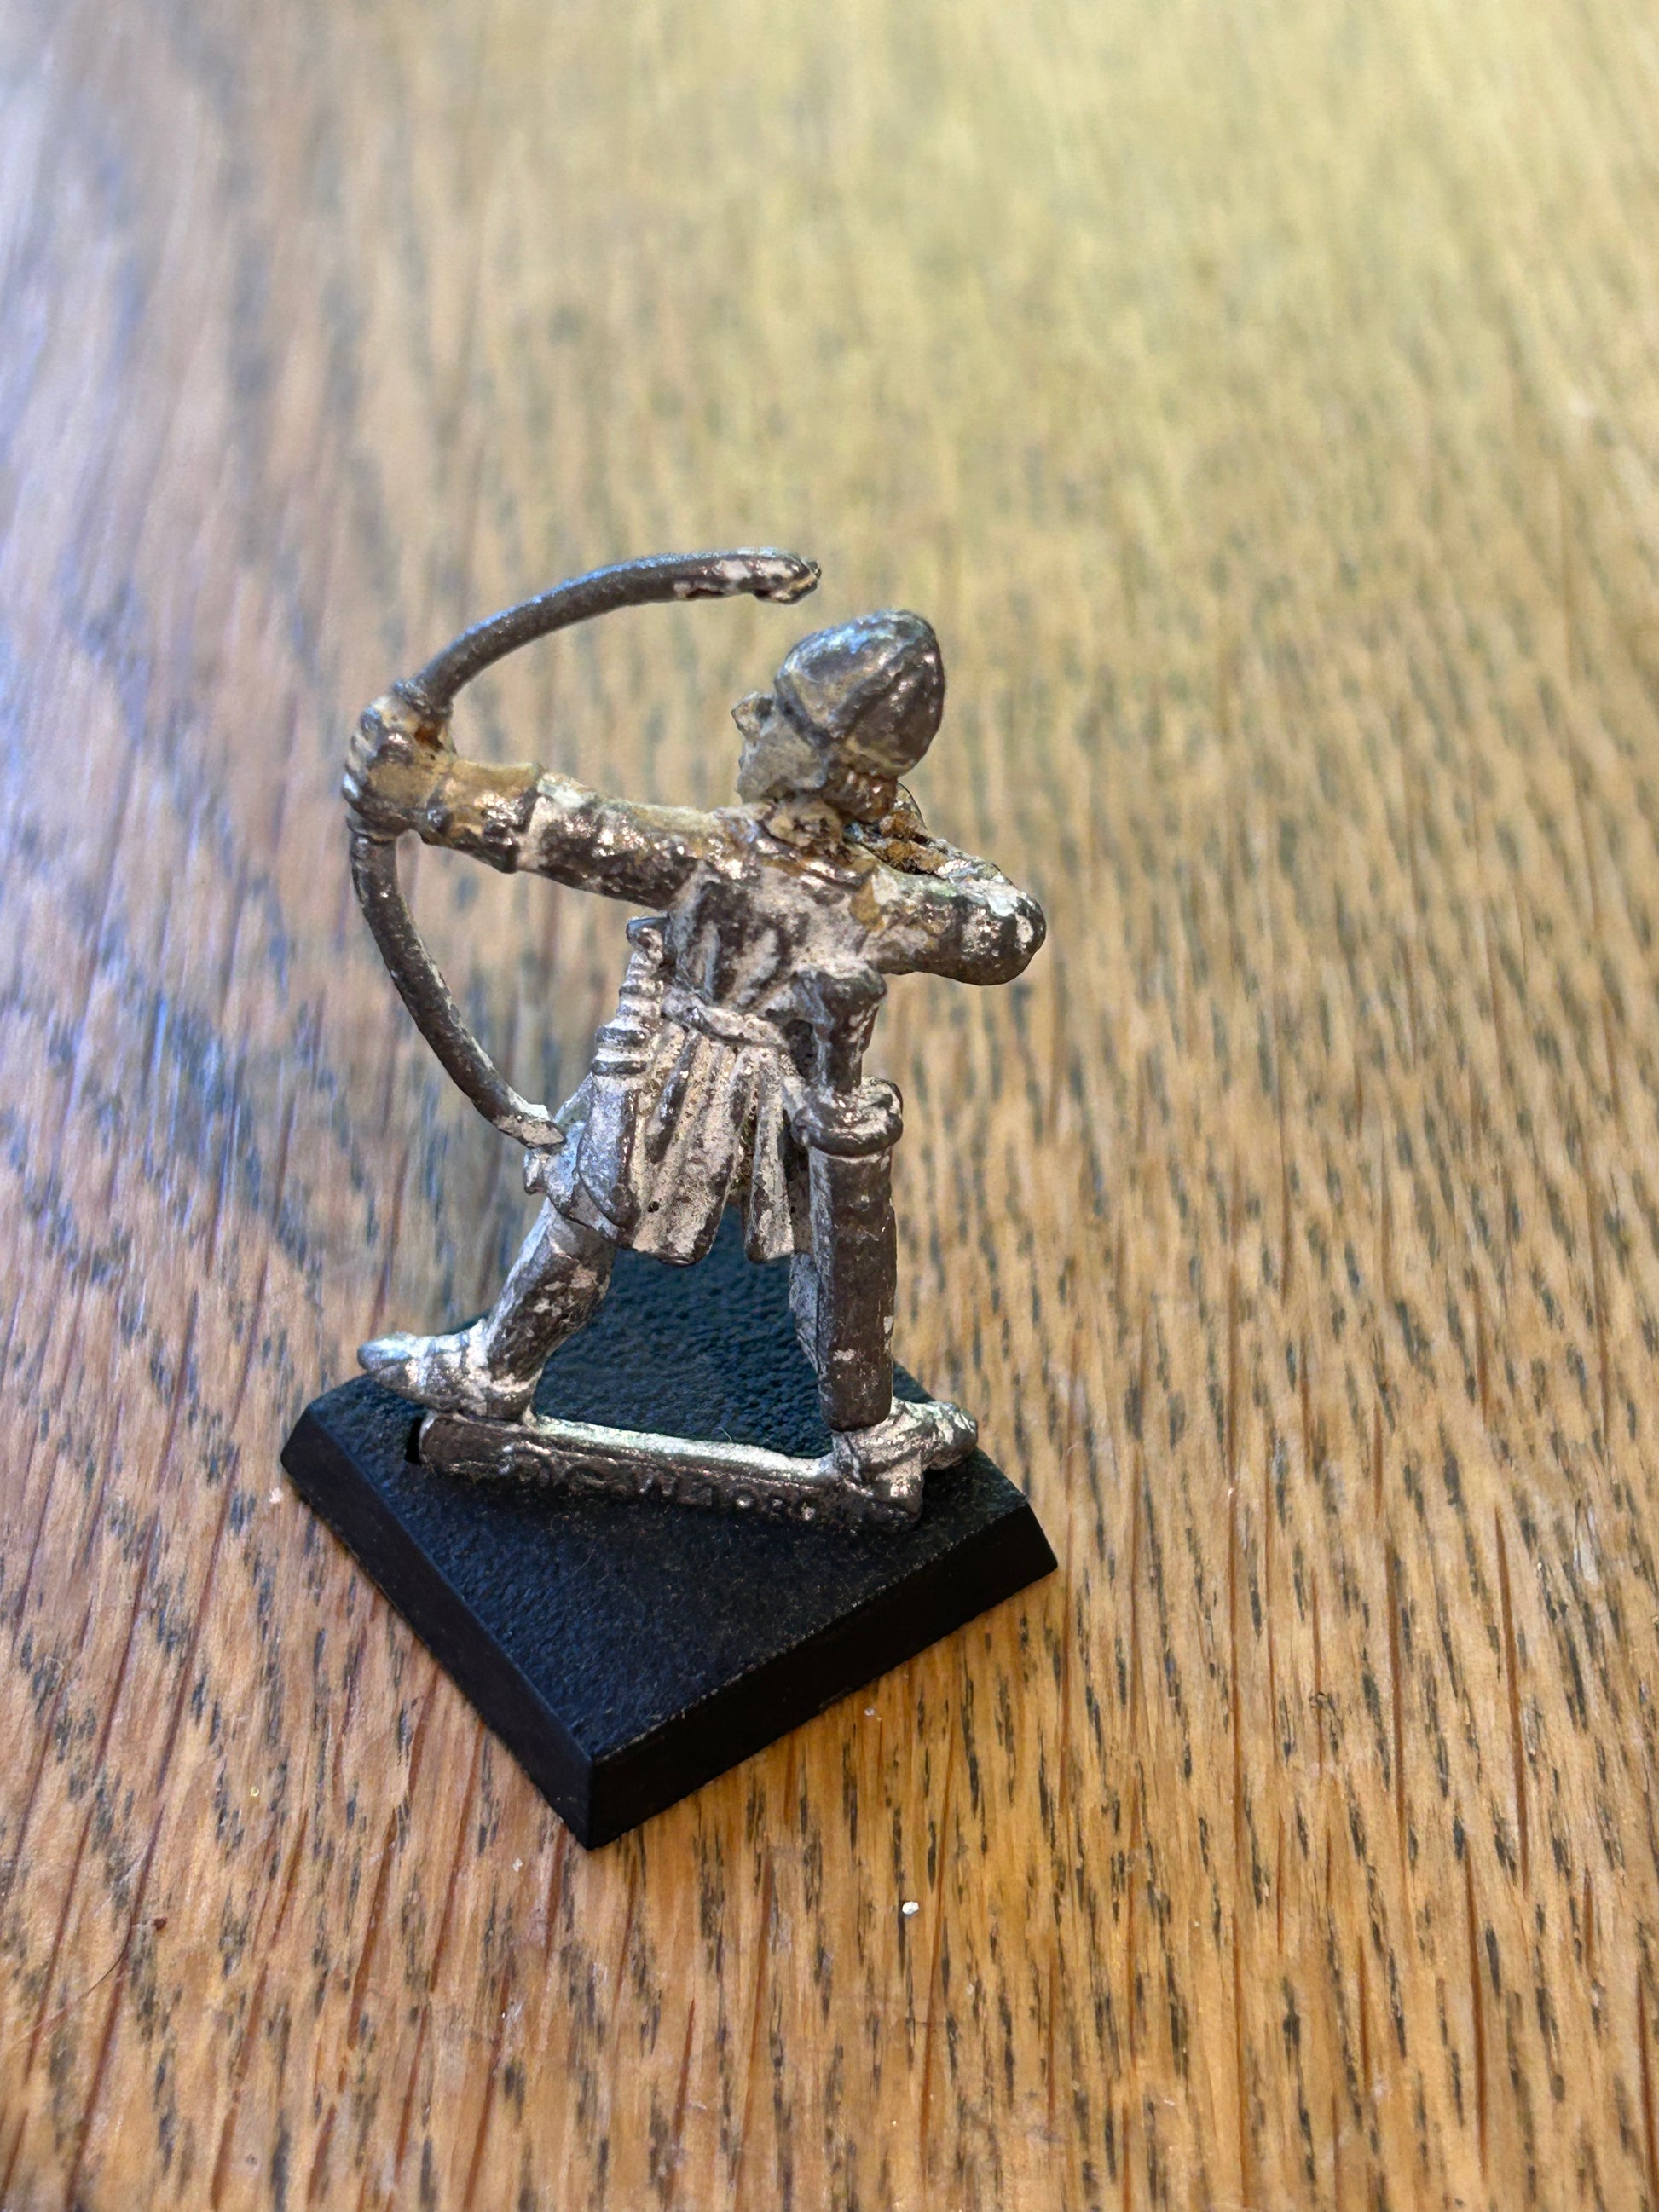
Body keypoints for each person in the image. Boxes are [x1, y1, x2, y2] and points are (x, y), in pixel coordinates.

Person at [343, 608, 1045, 1424]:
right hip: (796, 1094)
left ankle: (493, 1371)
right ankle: (867, 1427)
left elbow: (571, 827)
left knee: (582, 1222)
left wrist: (424, 787)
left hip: (683, 1076)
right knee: (827, 1260)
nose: (753, 715)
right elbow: (1007, 927)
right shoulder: (880, 902)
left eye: (782, 713)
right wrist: (909, 844)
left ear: (814, 760)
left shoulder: (715, 856)